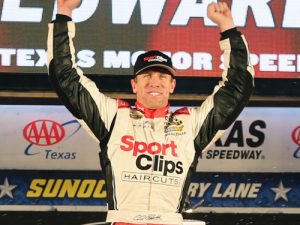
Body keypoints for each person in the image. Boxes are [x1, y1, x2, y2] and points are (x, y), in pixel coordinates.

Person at [47, 0, 254, 224]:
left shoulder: (191, 125)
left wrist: (228, 28)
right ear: (134, 85)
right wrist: (64, 13)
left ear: (172, 86)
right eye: (146, 76)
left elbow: (237, 87)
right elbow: (65, 76)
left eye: (162, 77)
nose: (154, 82)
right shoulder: (114, 116)